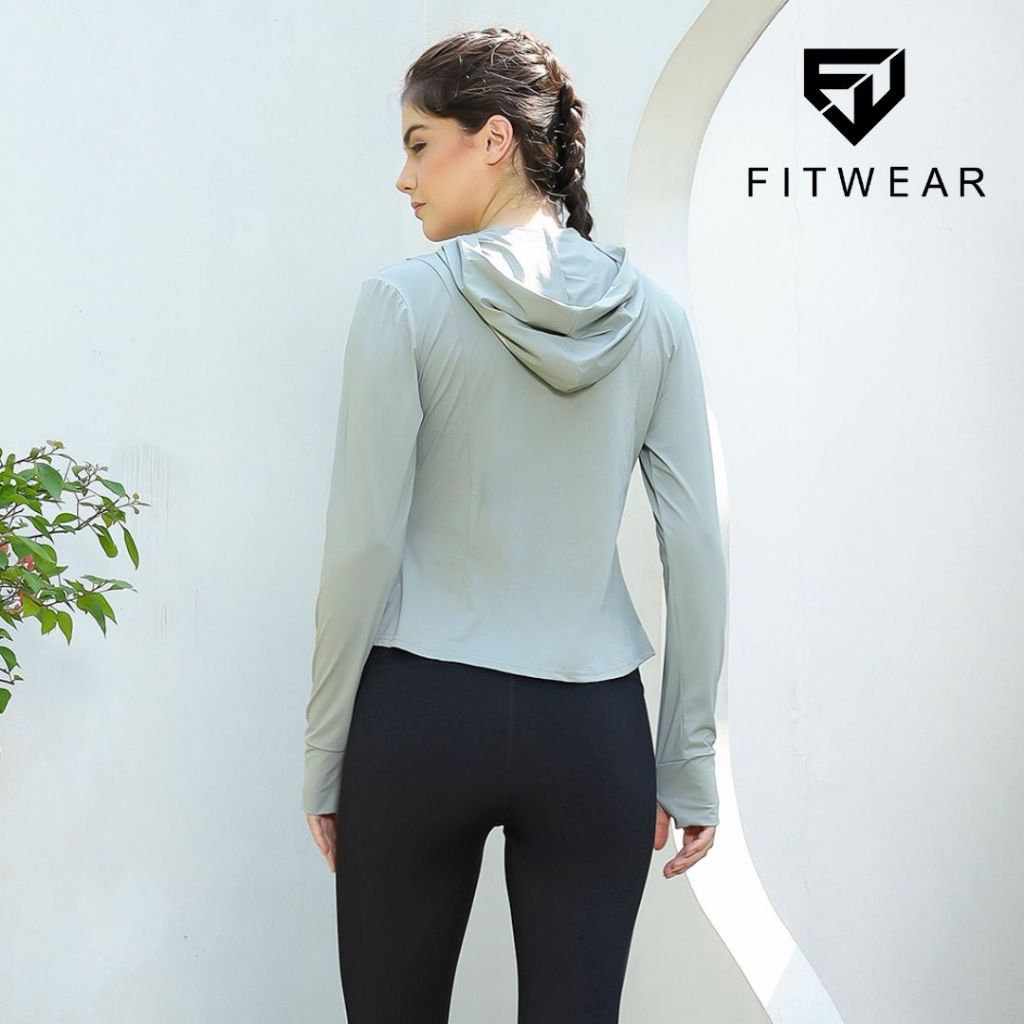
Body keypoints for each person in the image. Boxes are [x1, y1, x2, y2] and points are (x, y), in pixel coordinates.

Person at [303, 25, 729, 1024]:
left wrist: (324, 750)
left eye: (419, 145)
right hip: (593, 731)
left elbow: (362, 547)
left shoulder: (402, 303)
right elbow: (698, 550)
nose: (404, 179)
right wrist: (688, 759)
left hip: (420, 715)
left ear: (494, 140)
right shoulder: (658, 321)